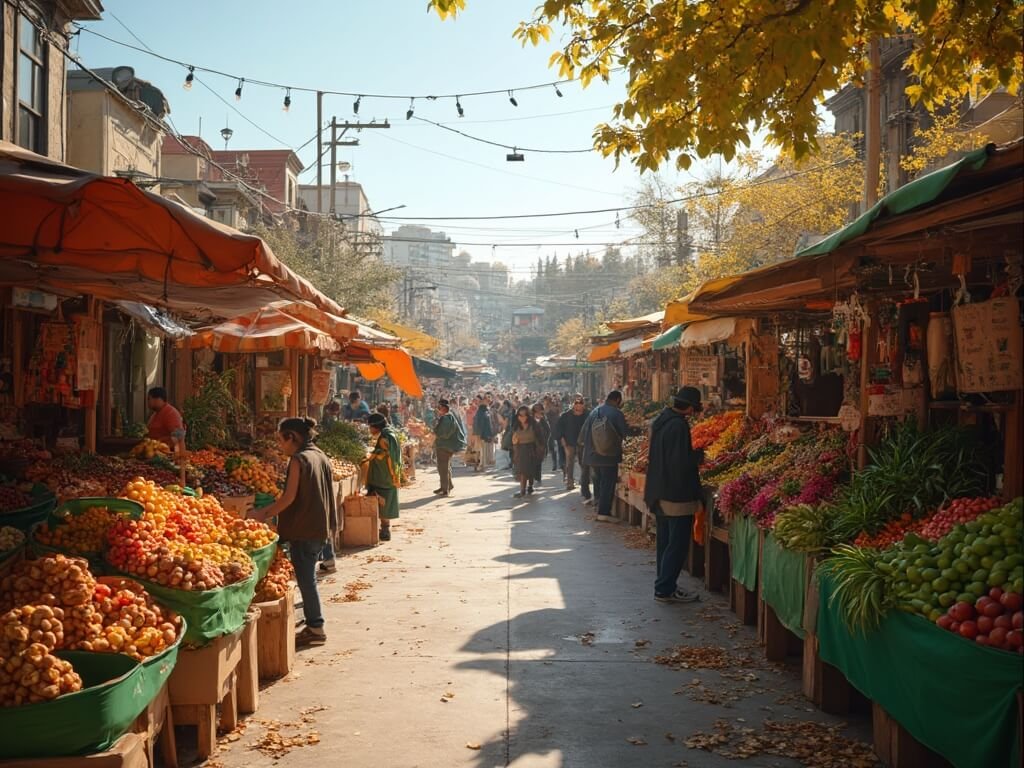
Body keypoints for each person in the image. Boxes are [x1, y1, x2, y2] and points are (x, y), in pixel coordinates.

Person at [250, 417, 336, 647]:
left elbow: (288, 498)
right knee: (308, 578)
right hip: (319, 527)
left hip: (304, 528)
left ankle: (316, 628)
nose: (280, 445)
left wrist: (263, 514)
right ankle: (313, 623)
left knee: (307, 579)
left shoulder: (299, 460)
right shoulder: (319, 454)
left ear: (292, 437)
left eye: (281, 439)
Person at [645, 387, 705, 604]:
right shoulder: (678, 426)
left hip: (658, 491)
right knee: (677, 544)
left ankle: (665, 584)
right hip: (676, 494)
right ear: (689, 407)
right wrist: (698, 456)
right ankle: (664, 588)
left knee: (665, 542)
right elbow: (680, 463)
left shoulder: (662, 420)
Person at [579, 390, 627, 523]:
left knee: (598, 481)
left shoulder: (595, 411)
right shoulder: (616, 413)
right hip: (608, 456)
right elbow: (625, 433)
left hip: (592, 455)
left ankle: (598, 506)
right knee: (608, 484)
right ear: (617, 400)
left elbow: (583, 434)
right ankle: (603, 513)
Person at [365, 413, 402, 542]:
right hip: (389, 474)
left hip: (384, 475)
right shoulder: (390, 432)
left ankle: (385, 529)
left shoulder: (384, 438)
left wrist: (373, 455)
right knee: (386, 501)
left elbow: (386, 454)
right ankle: (384, 528)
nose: (370, 430)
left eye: (371, 427)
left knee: (383, 501)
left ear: (376, 426)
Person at [433, 399, 466, 497]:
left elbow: (445, 433)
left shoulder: (447, 418)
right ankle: (448, 485)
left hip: (445, 446)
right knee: (445, 467)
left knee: (443, 468)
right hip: (446, 445)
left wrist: (435, 433)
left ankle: (445, 489)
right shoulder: (448, 416)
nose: (438, 410)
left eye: (439, 408)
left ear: (443, 408)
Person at [558, 395, 590, 493]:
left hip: (583, 442)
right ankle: (570, 482)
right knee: (570, 463)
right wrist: (562, 440)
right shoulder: (566, 415)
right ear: (573, 404)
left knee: (583, 463)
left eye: (580, 403)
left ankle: (584, 481)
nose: (578, 405)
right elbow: (559, 429)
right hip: (569, 442)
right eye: (576, 403)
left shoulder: (588, 415)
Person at [511, 406, 544, 498]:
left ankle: (530, 485)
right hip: (520, 450)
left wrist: (540, 450)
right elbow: (513, 438)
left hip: (531, 449)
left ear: (528, 416)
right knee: (522, 471)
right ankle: (522, 491)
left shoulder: (534, 425)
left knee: (530, 470)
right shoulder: (516, 425)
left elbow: (540, 438)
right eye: (520, 415)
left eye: (524, 415)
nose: (522, 418)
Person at [473, 398, 495, 471]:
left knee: (478, 450)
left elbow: (476, 424)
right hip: (483, 435)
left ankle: (477, 464)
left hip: (478, 434)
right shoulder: (485, 413)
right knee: (483, 451)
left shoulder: (478, 412)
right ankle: (481, 466)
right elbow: (486, 425)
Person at [531, 403, 550, 487]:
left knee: (538, 461)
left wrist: (544, 441)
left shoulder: (543, 419)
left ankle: (537, 477)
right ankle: (532, 478)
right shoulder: (530, 419)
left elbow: (548, 431)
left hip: (541, 444)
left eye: (539, 410)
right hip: (531, 444)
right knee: (532, 461)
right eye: (536, 410)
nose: (538, 411)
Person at [544, 396, 562, 471]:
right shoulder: (549, 407)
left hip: (555, 429)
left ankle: (558, 463)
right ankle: (556, 463)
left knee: (556, 447)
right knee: (553, 447)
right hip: (552, 429)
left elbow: (559, 412)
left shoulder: (551, 407)